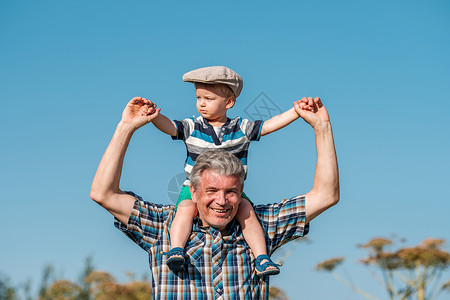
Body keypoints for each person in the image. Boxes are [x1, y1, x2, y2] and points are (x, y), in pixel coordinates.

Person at [90, 95, 339, 299]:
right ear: (194, 191)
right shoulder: (162, 226)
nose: (221, 200)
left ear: (241, 192)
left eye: (231, 192)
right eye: (211, 191)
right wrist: (126, 128)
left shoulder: (259, 224)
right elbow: (103, 193)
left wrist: (322, 128)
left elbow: (326, 195)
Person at [150, 66, 303, 276]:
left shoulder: (241, 128)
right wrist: (152, 116)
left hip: (231, 191)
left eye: (209, 98)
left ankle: (262, 258)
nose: (201, 103)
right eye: (199, 97)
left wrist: (296, 112)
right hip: (194, 187)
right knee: (185, 209)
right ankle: (176, 249)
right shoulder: (192, 126)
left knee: (247, 214)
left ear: (229, 102)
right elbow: (169, 127)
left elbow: (268, 126)